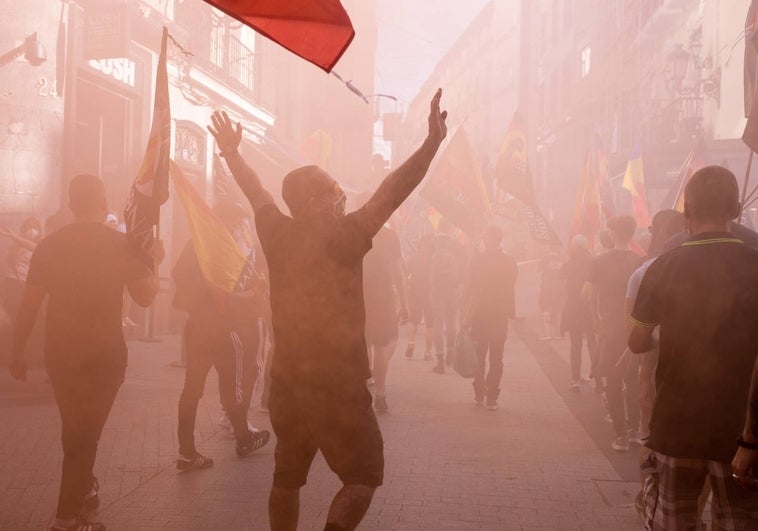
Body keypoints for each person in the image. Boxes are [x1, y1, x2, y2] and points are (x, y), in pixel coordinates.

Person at [207, 89, 447, 531]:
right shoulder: (346, 235)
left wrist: (230, 153)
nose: (342, 197)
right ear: (316, 201)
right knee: (362, 477)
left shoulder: (276, 232)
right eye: (335, 190)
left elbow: (257, 190)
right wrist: (430, 145)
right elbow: (392, 191)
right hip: (339, 387)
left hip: (289, 385)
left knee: (287, 478)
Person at [9, 174, 163, 531]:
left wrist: (17, 352)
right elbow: (146, 296)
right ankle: (65, 521)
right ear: (103, 201)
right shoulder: (121, 244)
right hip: (103, 353)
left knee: (77, 429)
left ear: (70, 203)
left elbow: (29, 306)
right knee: (84, 435)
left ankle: (85, 487)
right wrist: (152, 261)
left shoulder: (49, 245)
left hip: (60, 352)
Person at [629, 165, 758, 529]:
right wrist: (751, 441)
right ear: (735, 211)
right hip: (740, 436)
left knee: (673, 522)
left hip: (676, 428)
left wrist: (669, 334)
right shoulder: (756, 265)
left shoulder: (664, 265)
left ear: (687, 211)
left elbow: (636, 341)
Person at [172, 201, 270, 471]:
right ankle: (243, 438)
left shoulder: (196, 244)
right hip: (228, 329)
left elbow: (179, 276)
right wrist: (254, 292)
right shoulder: (234, 249)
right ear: (234, 222)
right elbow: (228, 295)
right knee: (235, 385)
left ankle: (187, 451)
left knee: (192, 389)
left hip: (197, 328)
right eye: (240, 221)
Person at [585, 215, 641, 452]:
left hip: (610, 327)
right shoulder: (641, 262)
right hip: (636, 327)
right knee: (635, 379)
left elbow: (588, 294)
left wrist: (598, 321)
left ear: (610, 232)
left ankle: (620, 435)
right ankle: (634, 429)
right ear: (633, 233)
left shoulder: (599, 262)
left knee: (613, 380)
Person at [464, 225, 517, 410]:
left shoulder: (478, 260)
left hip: (480, 314)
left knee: (479, 356)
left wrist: (466, 316)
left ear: (487, 239)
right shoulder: (509, 261)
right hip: (500, 315)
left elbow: (472, 288)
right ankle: (492, 396)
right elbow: (512, 284)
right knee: (497, 357)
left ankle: (479, 392)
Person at [362, 206, 408, 412]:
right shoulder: (389, 236)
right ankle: (380, 394)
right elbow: (398, 273)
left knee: (362, 344)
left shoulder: (353, 233)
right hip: (383, 298)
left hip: (357, 297)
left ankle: (361, 392)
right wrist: (405, 304)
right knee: (382, 347)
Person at [429, 218, 466, 374]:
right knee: (451, 322)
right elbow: (465, 263)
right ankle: (451, 354)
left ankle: (440, 361)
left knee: (438, 323)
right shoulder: (457, 244)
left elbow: (423, 266)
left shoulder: (431, 243)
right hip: (452, 288)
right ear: (451, 229)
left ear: (438, 227)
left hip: (436, 288)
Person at [560, 235, 596, 393]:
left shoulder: (569, 263)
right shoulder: (593, 262)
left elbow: (562, 283)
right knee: (592, 343)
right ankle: (599, 378)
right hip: (589, 309)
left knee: (576, 345)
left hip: (574, 308)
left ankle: (575, 379)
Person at [404, 234, 435, 361]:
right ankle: (427, 352)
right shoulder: (434, 258)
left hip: (414, 289)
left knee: (413, 319)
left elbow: (407, 272)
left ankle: (411, 342)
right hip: (429, 291)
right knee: (430, 322)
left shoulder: (414, 256)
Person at [537, 249, 564, 340]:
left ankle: (546, 333)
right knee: (558, 309)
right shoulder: (563, 257)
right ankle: (558, 333)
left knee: (545, 308)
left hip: (547, 286)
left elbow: (538, 270)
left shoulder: (545, 258)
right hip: (559, 286)